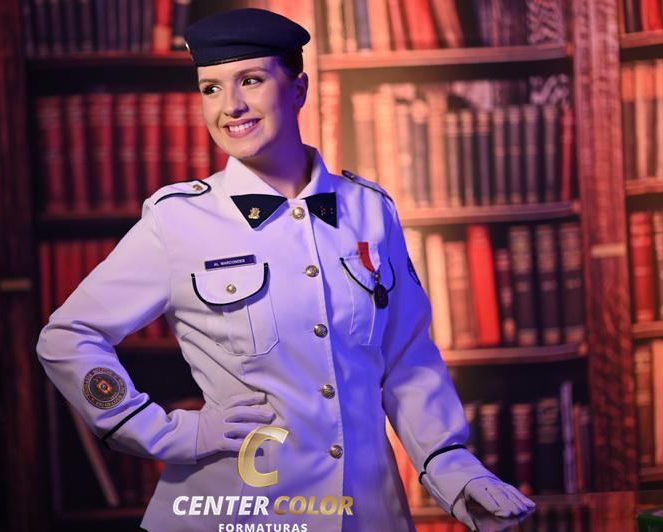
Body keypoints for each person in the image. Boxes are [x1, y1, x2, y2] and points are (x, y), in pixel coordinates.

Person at [36, 7, 535, 532]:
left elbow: (406, 357)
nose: (230, 106)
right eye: (210, 89)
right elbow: (68, 336)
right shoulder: (178, 220)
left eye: (250, 80)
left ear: (299, 89)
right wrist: (162, 432)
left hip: (367, 514)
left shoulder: (370, 209)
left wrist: (452, 468)